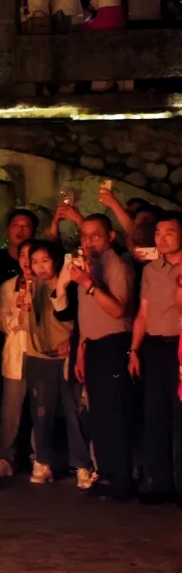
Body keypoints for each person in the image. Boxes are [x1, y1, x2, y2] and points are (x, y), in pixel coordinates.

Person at [71, 214, 136, 500]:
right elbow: (87, 314)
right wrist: (82, 352)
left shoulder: (116, 265)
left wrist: (89, 283)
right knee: (98, 414)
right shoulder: (89, 266)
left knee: (113, 414)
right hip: (94, 346)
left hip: (114, 343)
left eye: (94, 235)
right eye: (83, 236)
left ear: (110, 237)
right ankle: (107, 474)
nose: (87, 241)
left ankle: (121, 480)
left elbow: (118, 310)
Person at [24, 240, 92, 486]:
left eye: (45, 261)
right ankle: (43, 461)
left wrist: (74, 343)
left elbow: (79, 318)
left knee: (74, 412)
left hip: (68, 357)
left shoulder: (70, 286)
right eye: (35, 261)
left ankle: (82, 465)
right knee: (42, 412)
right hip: (40, 356)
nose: (40, 267)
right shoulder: (30, 287)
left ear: (56, 261)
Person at [129, 213, 182, 502]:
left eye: (169, 232)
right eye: (158, 233)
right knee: (155, 415)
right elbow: (143, 314)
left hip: (180, 348)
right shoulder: (151, 270)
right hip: (154, 347)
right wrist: (134, 350)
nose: (161, 238)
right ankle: (158, 483)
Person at [0, 240, 33, 478]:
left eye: (32, 255)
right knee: (11, 410)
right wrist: (18, 314)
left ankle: (41, 457)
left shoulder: (50, 283)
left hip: (43, 353)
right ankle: (6, 457)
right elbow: (0, 319)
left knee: (43, 408)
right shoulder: (8, 286)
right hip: (17, 352)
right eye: (24, 255)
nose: (27, 261)